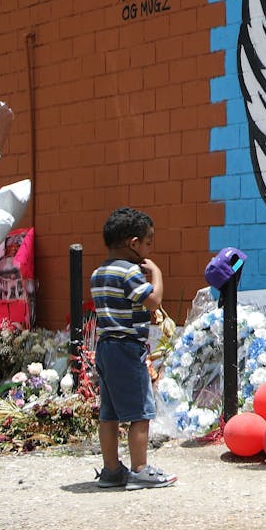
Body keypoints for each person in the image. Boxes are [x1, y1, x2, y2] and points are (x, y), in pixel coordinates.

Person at [90, 207, 176, 489]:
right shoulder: (129, 272)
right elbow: (154, 301)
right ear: (133, 243)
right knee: (140, 412)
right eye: (148, 243)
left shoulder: (98, 273)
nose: (149, 248)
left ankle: (112, 470)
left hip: (105, 347)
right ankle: (140, 470)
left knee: (109, 413)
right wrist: (157, 274)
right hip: (128, 348)